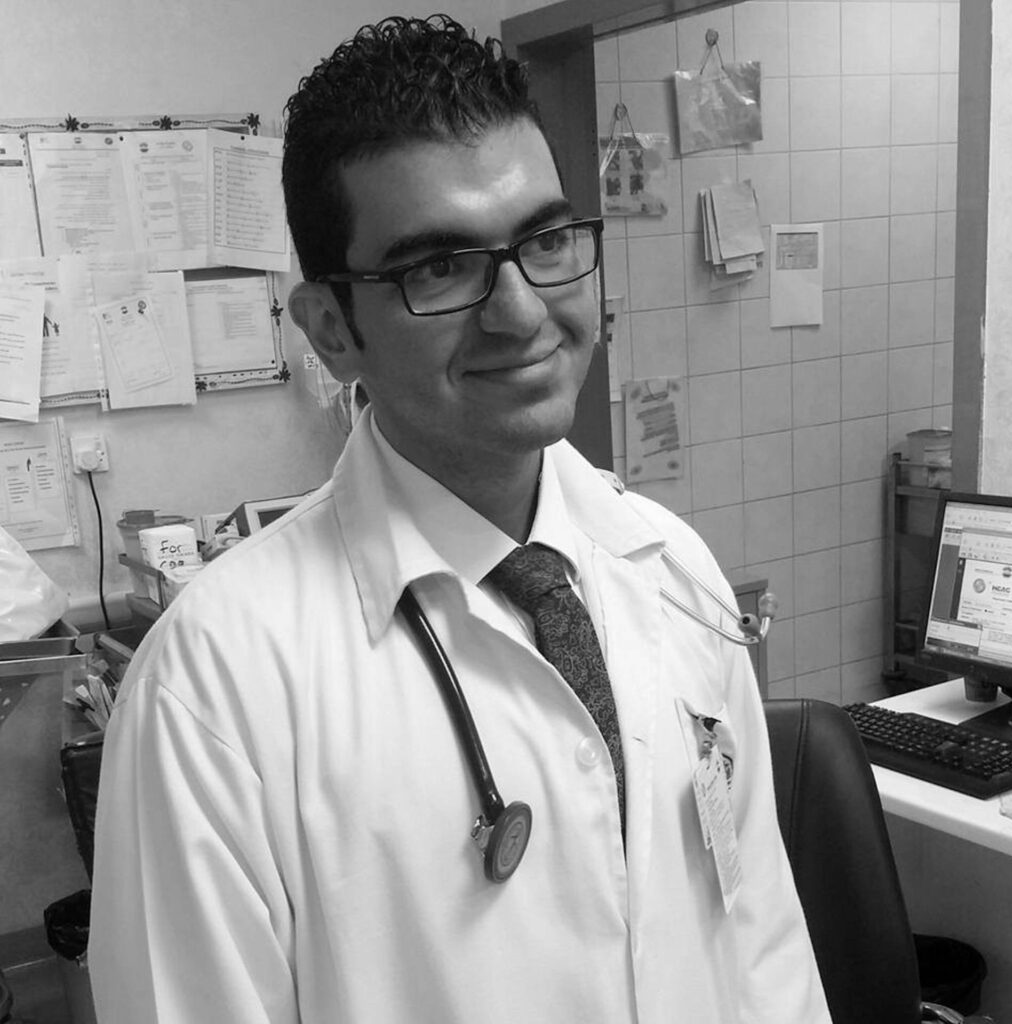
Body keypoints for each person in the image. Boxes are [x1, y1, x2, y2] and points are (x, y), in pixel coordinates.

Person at [89, 15, 832, 1023]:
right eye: (438, 267)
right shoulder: (213, 687)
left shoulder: (674, 576)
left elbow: (757, 940)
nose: (521, 310)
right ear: (331, 330)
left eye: (546, 238)